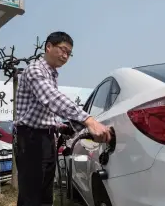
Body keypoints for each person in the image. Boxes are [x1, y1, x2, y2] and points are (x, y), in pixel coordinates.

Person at [13, 31, 112, 206]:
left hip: (44, 139)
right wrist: (88, 120)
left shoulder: (50, 74)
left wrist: (60, 127)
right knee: (32, 197)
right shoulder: (36, 70)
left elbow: (41, 111)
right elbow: (52, 98)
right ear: (48, 46)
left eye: (69, 53)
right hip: (31, 141)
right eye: (62, 49)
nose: (65, 55)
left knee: (44, 195)